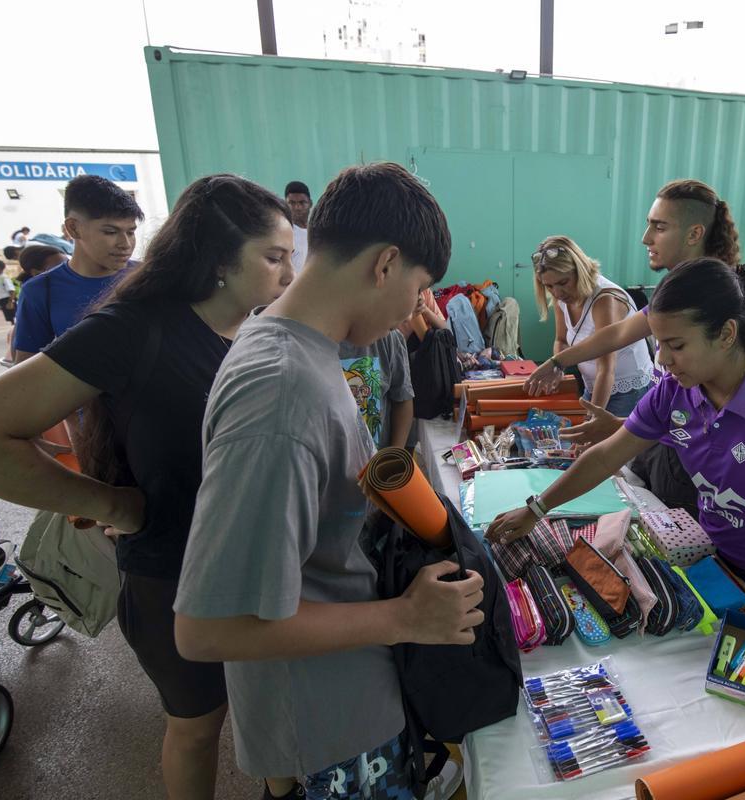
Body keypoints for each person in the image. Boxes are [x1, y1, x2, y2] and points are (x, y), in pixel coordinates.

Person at [0, 173, 296, 799]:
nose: (288, 275)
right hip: (172, 577)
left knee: (270, 710)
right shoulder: (134, 328)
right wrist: (105, 500)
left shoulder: (251, 330)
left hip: (253, 568)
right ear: (219, 262)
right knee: (198, 727)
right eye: (274, 257)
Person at [172, 162, 478, 800]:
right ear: (385, 263)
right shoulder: (282, 391)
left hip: (341, 705)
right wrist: (404, 616)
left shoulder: (302, 348)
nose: (414, 313)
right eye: (420, 290)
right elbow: (207, 627)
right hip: (326, 734)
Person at [487, 259, 745, 711]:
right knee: (709, 696)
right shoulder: (675, 392)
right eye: (658, 344)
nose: (662, 360)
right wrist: (537, 508)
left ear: (726, 334)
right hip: (711, 561)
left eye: (676, 345)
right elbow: (608, 454)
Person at [524, 179, 740, 444]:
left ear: (694, 234)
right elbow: (617, 335)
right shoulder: (678, 288)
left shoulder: (717, 295)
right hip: (671, 429)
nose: (645, 237)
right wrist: (558, 362)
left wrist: (619, 426)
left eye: (659, 227)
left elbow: (712, 418)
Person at [12, 175, 144, 362]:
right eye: (110, 232)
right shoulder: (41, 291)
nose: (126, 244)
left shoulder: (147, 276)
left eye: (131, 232)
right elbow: (25, 369)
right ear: (73, 228)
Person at [532, 235, 654, 416]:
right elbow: (561, 340)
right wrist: (558, 368)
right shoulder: (562, 297)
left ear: (579, 271)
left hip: (628, 391)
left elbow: (606, 369)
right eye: (548, 286)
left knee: (601, 440)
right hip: (593, 384)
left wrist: (593, 420)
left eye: (563, 282)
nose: (557, 292)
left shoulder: (604, 300)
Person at [339, 329, 415, 448]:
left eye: (363, 390)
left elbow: (402, 398)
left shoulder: (388, 337)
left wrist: (395, 452)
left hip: (377, 458)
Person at [285, 180, 311, 274]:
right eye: (291, 203)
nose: (297, 207)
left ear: (310, 204)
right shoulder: (284, 234)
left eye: (302, 202)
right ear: (285, 205)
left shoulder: (319, 232)